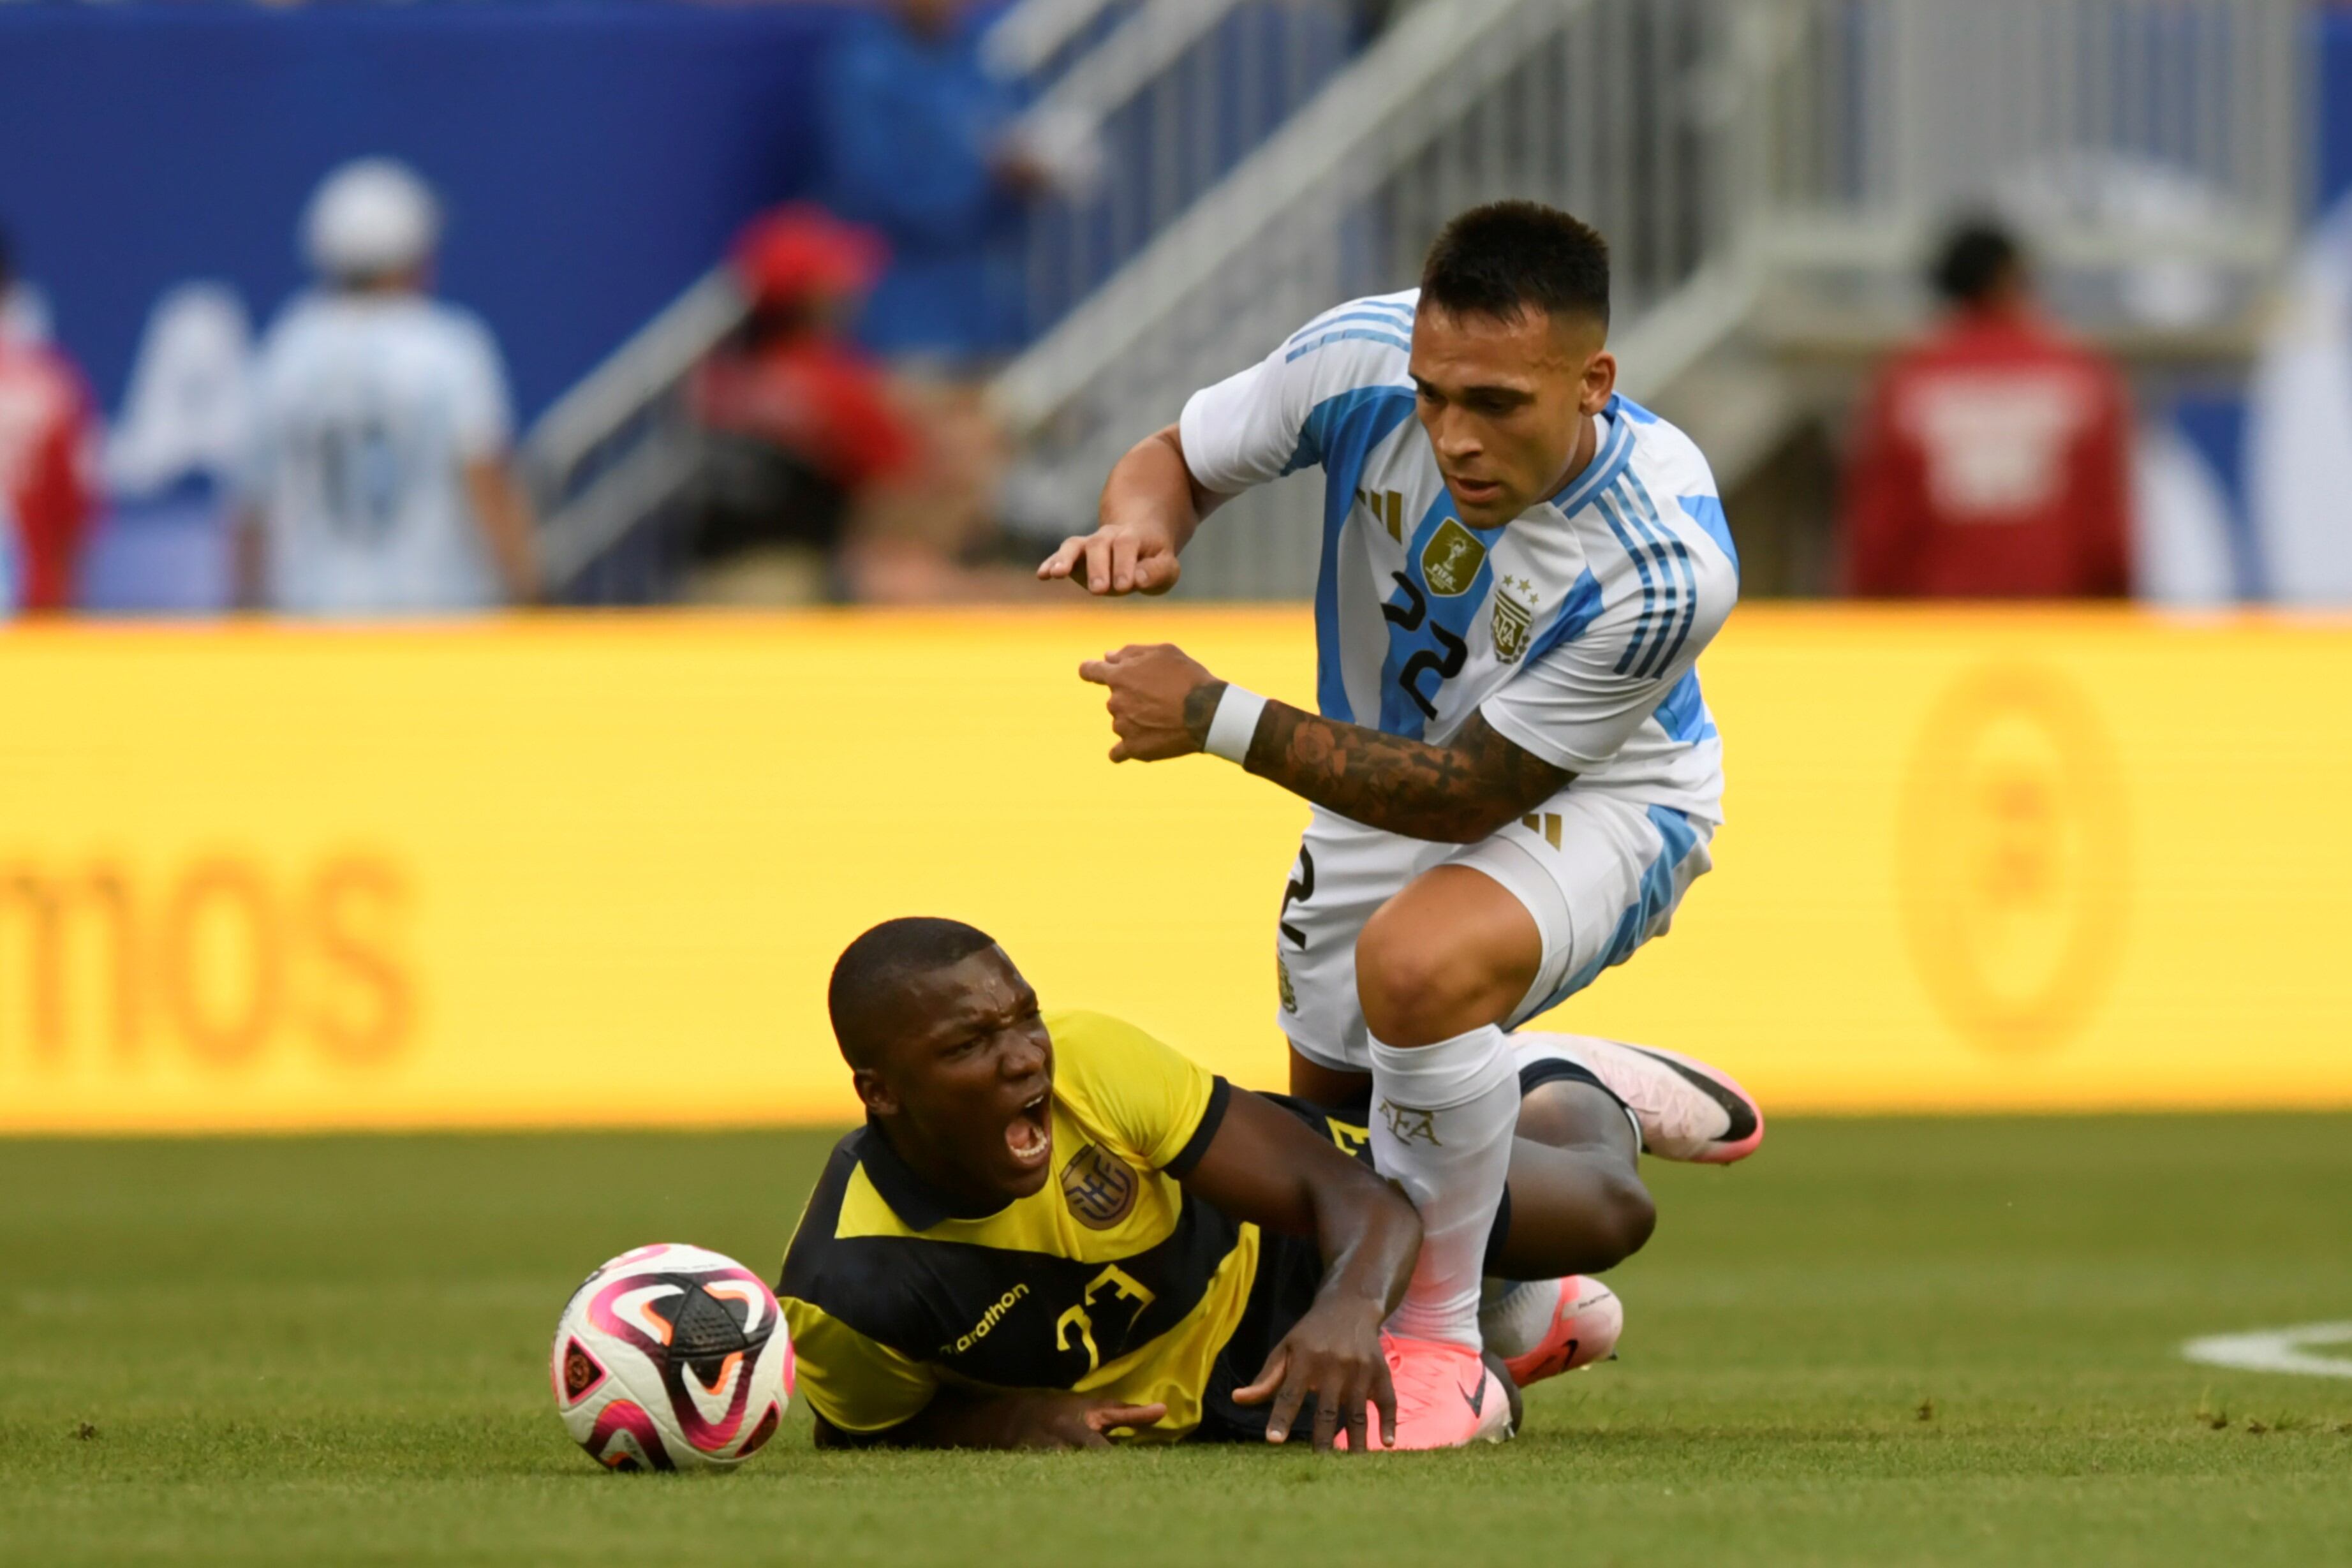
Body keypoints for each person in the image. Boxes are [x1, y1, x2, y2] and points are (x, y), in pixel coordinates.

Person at [1039, 200, 1752, 1447]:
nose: (1452, 436)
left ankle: (1442, 1348)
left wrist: (1212, 713)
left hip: (1603, 798)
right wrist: (1138, 527)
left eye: (1494, 404)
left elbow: (1468, 793)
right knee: (1335, 1149)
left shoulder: (1661, 556)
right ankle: (1552, 1123)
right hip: (1375, 778)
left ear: (1592, 382)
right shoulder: (1358, 357)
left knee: (1415, 972)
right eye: (1433, 396)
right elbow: (1178, 456)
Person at [778, 917, 1763, 1451]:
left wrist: (1344, 1304)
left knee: (1606, 1214)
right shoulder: (850, 1286)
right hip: (1216, 1386)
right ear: (883, 1093)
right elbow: (868, 1426)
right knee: (1492, 1380)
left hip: (1280, 1229)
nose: (1022, 1059)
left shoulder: (1087, 1060)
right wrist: (1013, 1422)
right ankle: (1511, 1322)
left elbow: (1352, 1201)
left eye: (1020, 1019)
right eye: (968, 1045)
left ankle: (1556, 1083)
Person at [239, 158, 537, 615]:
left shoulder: (285, 352)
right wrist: (530, 597)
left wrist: (246, 616)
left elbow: (251, 512)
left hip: (313, 625)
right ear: (413, 258)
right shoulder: (449, 349)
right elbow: (487, 486)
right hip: (437, 624)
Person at [1839, 218, 2133, 598]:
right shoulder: (2078, 374)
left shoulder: (1906, 381)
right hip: (2054, 620)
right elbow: (2106, 532)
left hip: (1939, 623)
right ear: (2012, 278)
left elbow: (1880, 529)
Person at [0, 225, 100, 612]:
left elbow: (76, 524)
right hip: (35, 632)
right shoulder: (56, 385)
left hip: (29, 618)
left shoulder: (56, 390)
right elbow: (76, 531)